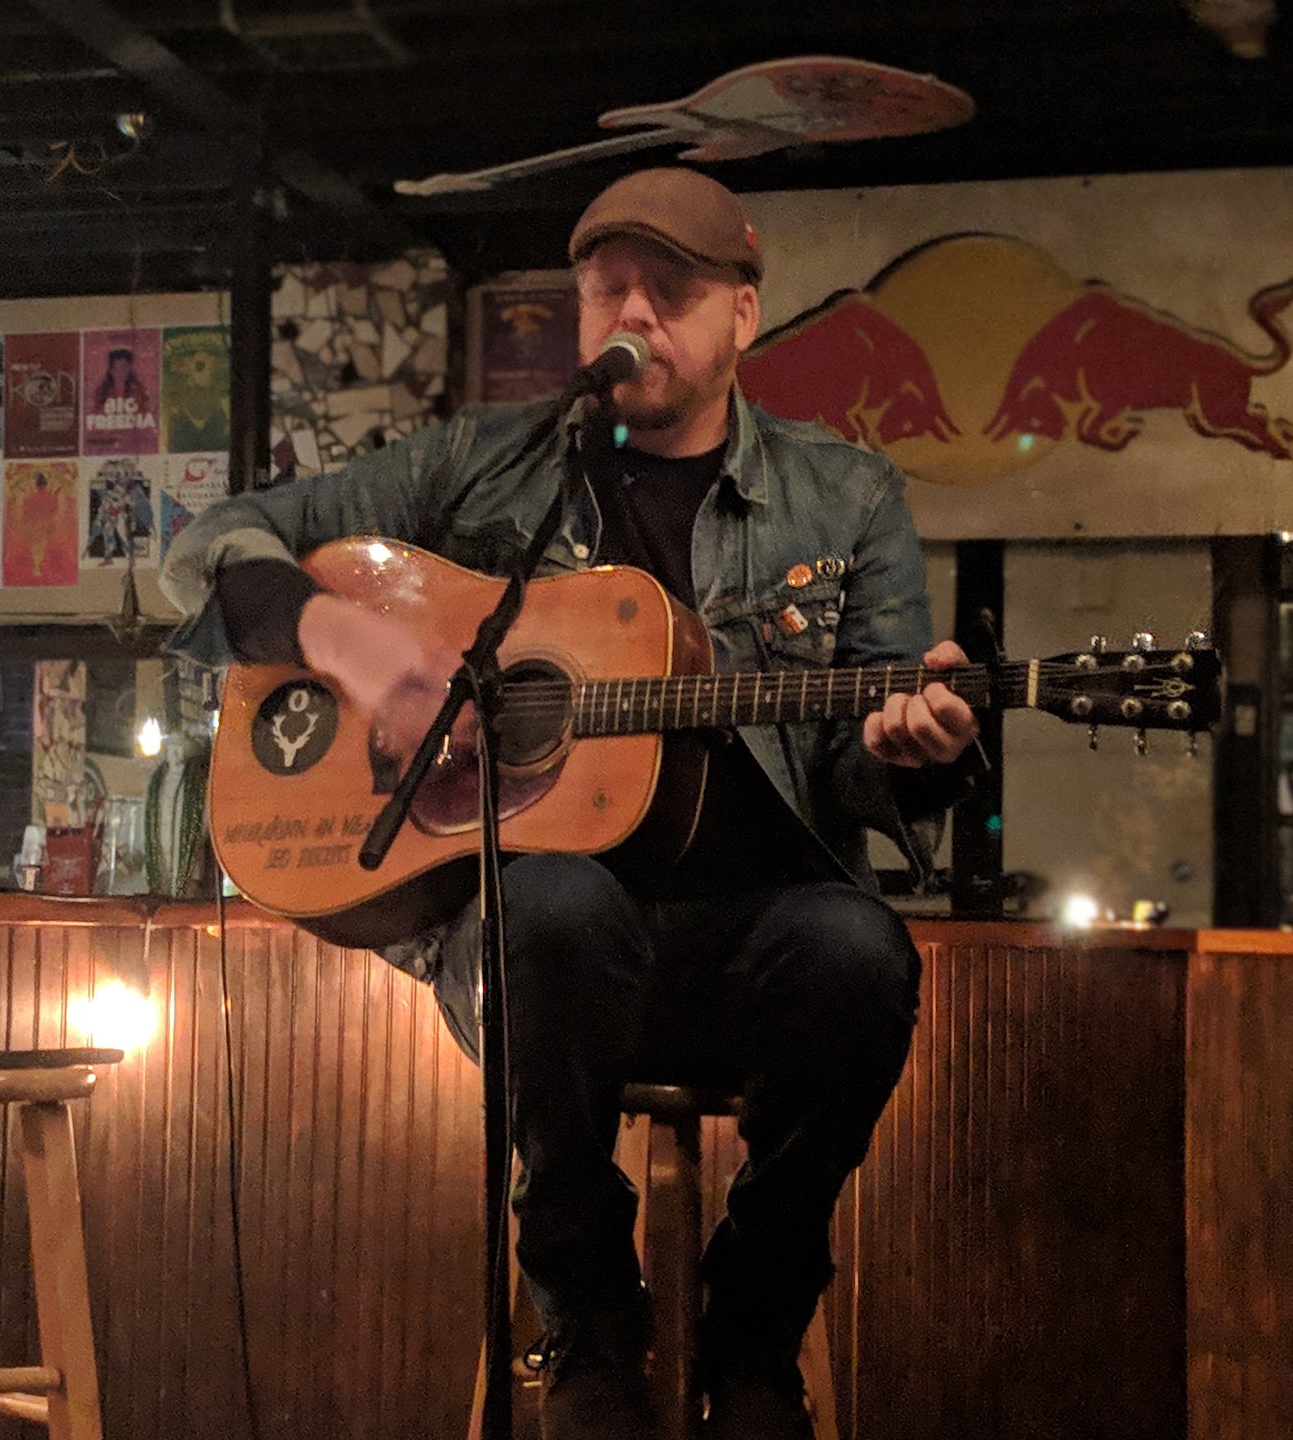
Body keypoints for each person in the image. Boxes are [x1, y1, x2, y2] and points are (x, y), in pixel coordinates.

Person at [161, 167, 980, 1440]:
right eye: (609, 289)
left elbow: (854, 773)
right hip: (544, 970)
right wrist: (361, 651)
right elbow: (208, 544)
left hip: (754, 946)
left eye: (672, 290)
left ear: (743, 315)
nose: (633, 314)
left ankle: (754, 1334)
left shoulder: (847, 496)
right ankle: (588, 1319)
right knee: (550, 900)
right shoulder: (483, 466)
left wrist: (912, 752)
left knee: (861, 951)